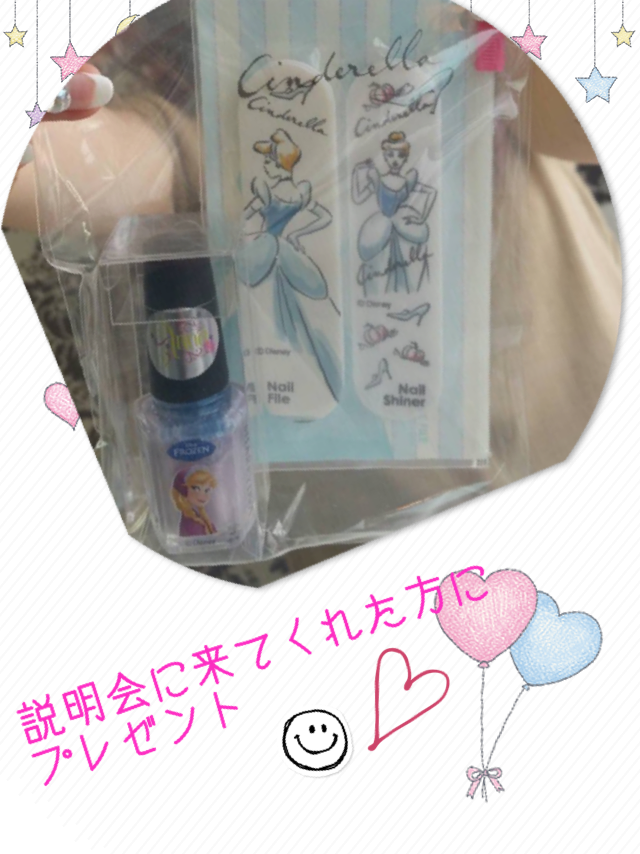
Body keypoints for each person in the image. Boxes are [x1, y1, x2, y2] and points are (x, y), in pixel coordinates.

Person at [3, 1, 622, 584]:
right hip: (346, 477)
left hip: (564, 345)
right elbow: (150, 155)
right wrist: (50, 151)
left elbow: (576, 116)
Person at [237, 128, 341, 400]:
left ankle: (291, 373)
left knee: (274, 312)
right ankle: (298, 374)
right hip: (283, 253)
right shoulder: (299, 194)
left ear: (279, 163)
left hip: (268, 253)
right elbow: (325, 217)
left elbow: (240, 220)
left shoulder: (266, 193)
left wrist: (249, 235)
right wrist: (296, 235)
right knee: (292, 313)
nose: (264, 165)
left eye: (268, 160)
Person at [352, 130, 436, 296]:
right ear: (385, 157)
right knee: (381, 268)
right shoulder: (378, 179)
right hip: (380, 228)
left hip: (402, 225)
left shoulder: (407, 180)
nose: (395, 160)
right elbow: (357, 198)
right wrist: (356, 172)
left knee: (407, 268)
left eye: (400, 156)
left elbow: (431, 192)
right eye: (390, 155)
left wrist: (422, 218)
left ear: (405, 158)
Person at [172, 468, 217, 537]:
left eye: (207, 490)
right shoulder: (191, 523)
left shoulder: (199, 516)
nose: (203, 495)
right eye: (196, 488)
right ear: (184, 491)